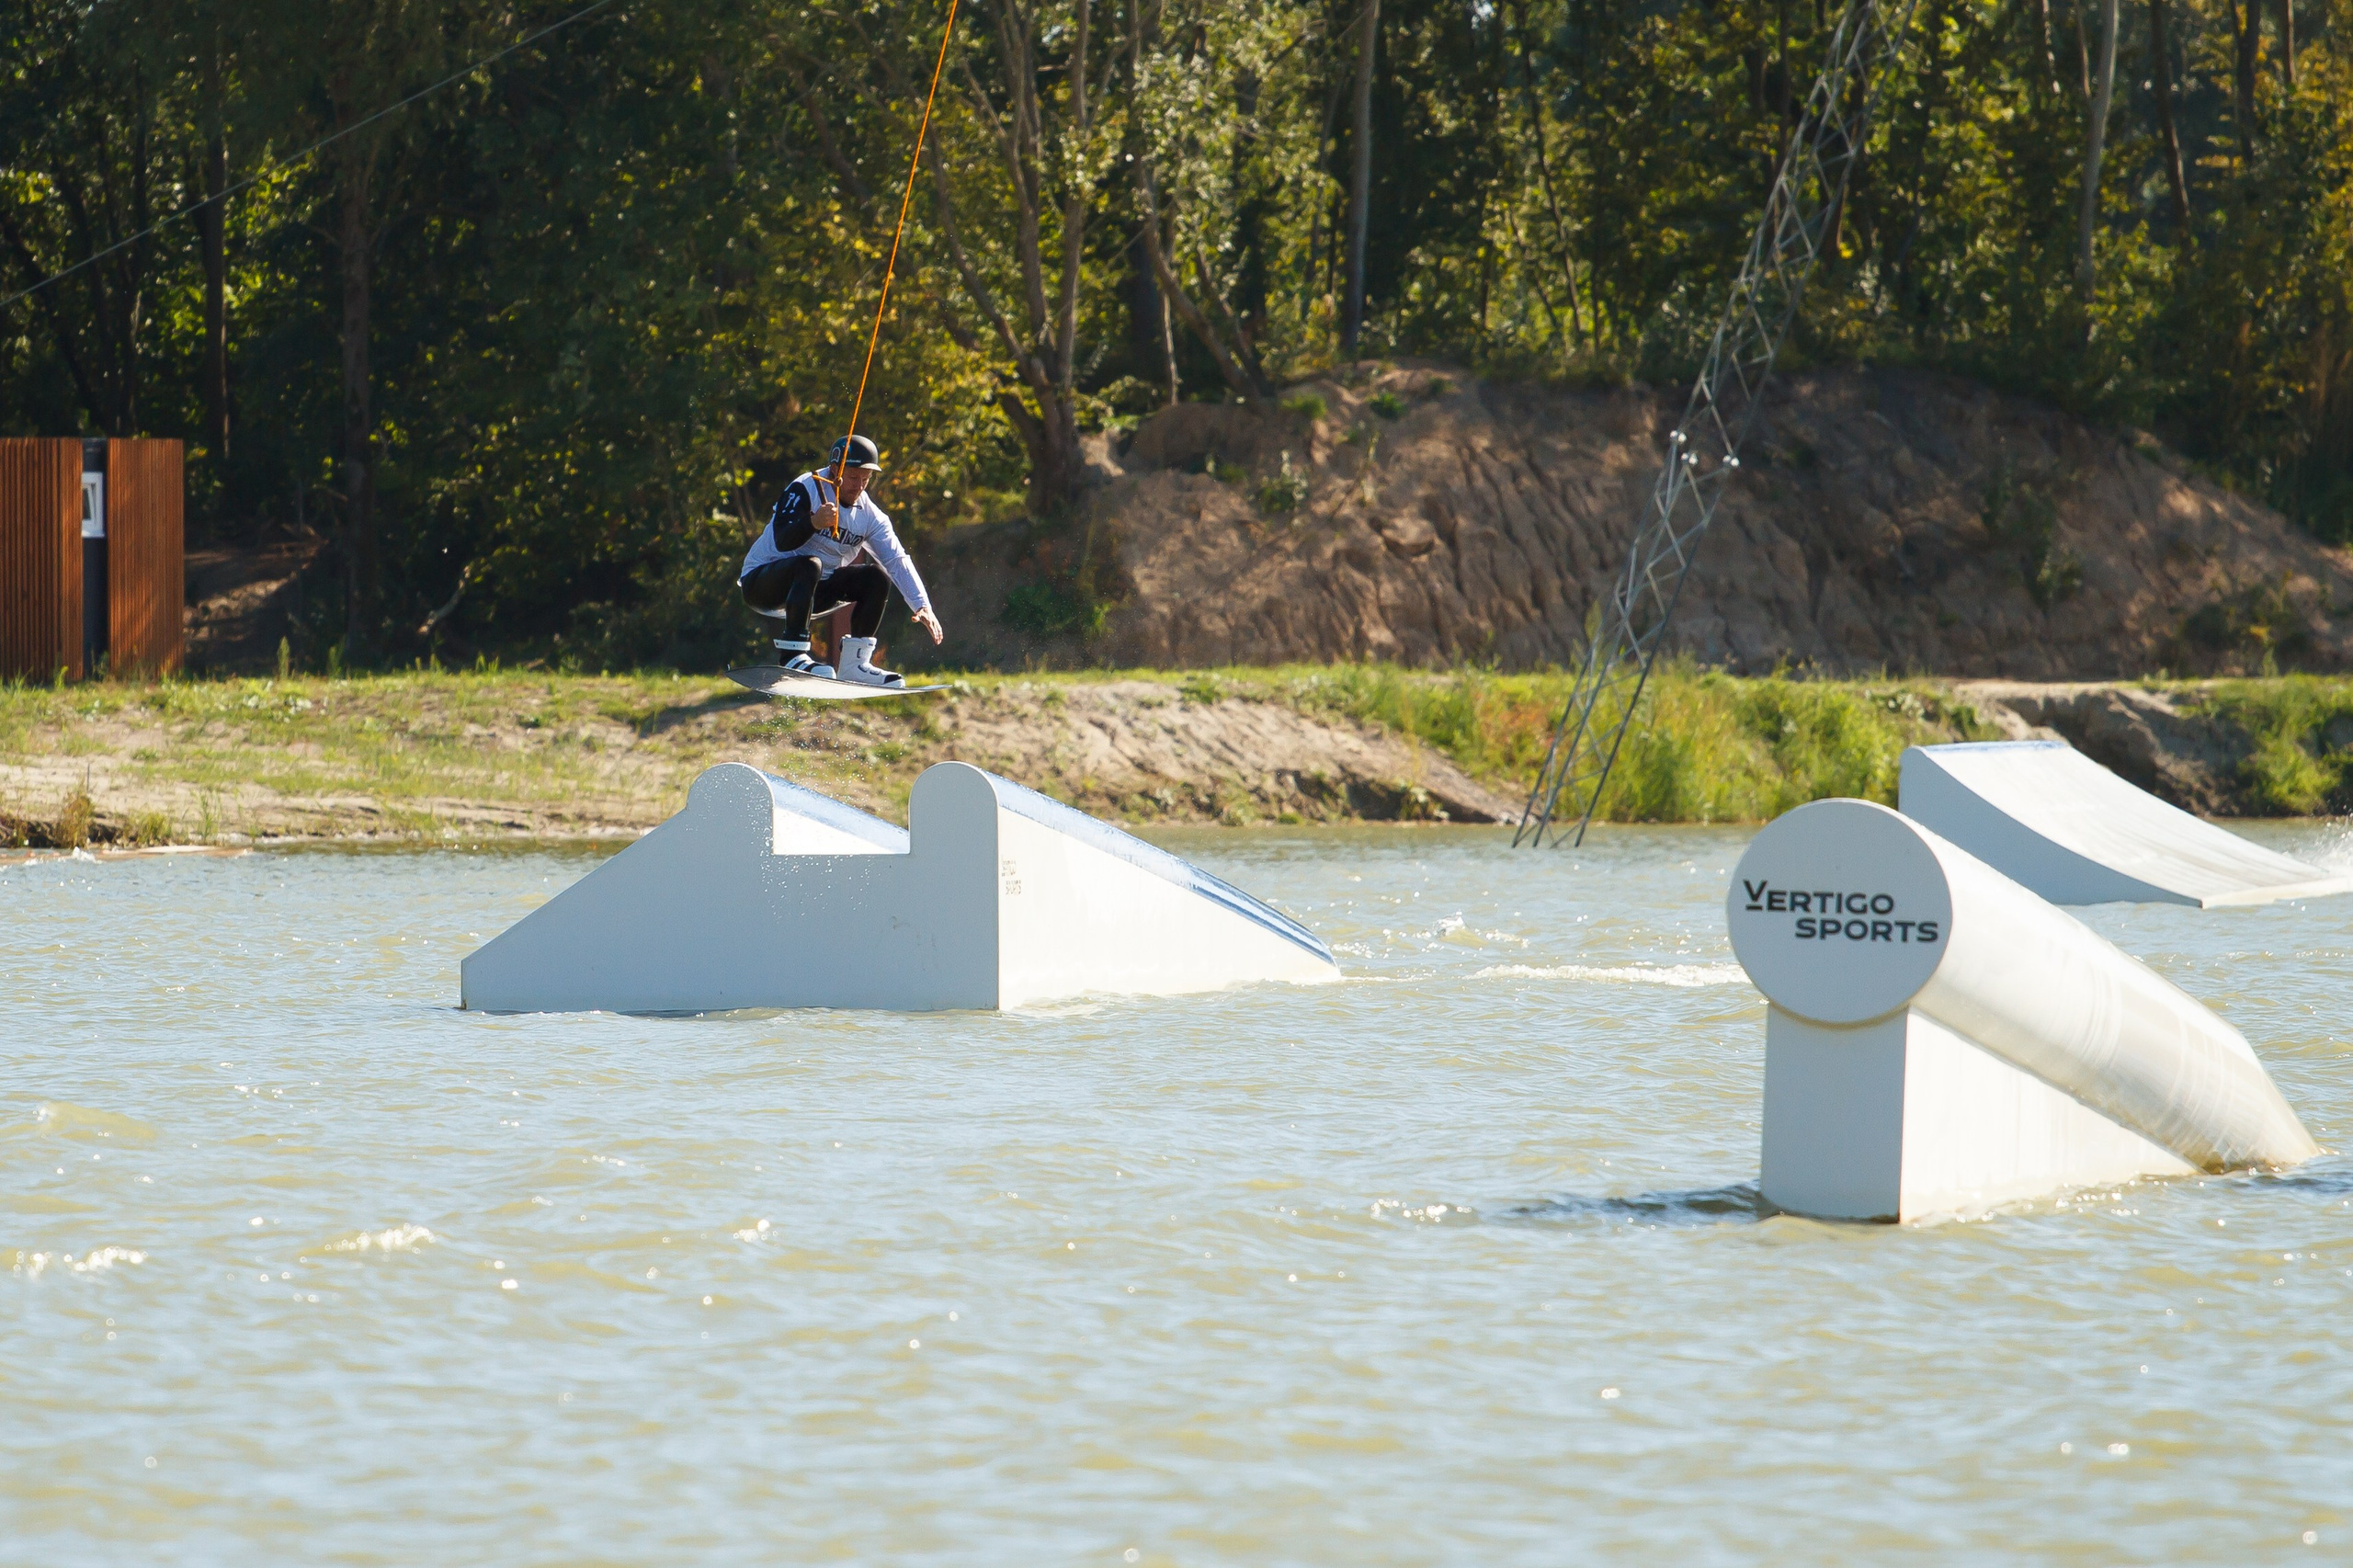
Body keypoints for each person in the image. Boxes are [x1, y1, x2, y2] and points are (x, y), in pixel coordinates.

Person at [738, 435, 944, 685]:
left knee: (876, 577)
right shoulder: (806, 487)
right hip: (762, 584)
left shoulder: (869, 517)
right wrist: (813, 522)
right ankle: (792, 655)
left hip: (813, 594)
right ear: (835, 470)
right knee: (809, 563)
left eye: (865, 480)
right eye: (853, 477)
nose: (858, 486)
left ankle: (855, 665)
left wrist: (921, 604)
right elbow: (782, 539)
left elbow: (896, 559)